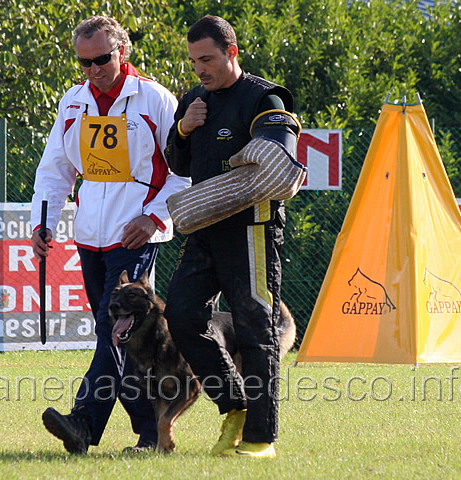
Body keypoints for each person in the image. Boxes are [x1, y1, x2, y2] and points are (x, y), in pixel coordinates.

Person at [30, 16, 190, 455]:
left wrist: (154, 219)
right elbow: (55, 169)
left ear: (123, 52)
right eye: (84, 62)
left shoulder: (155, 99)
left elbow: (183, 170)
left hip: (135, 237)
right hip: (89, 237)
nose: (94, 69)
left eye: (102, 58)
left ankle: (83, 422)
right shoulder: (73, 102)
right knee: (121, 338)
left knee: (111, 328)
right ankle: (151, 433)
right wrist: (42, 223)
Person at [164, 15, 299, 458]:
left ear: (232, 53)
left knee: (255, 329)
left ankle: (262, 438)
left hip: (252, 230)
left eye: (208, 59)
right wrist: (184, 127)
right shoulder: (194, 100)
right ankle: (235, 405)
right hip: (205, 229)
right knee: (182, 315)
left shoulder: (264, 97)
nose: (200, 69)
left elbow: (277, 156)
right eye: (193, 61)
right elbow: (178, 165)